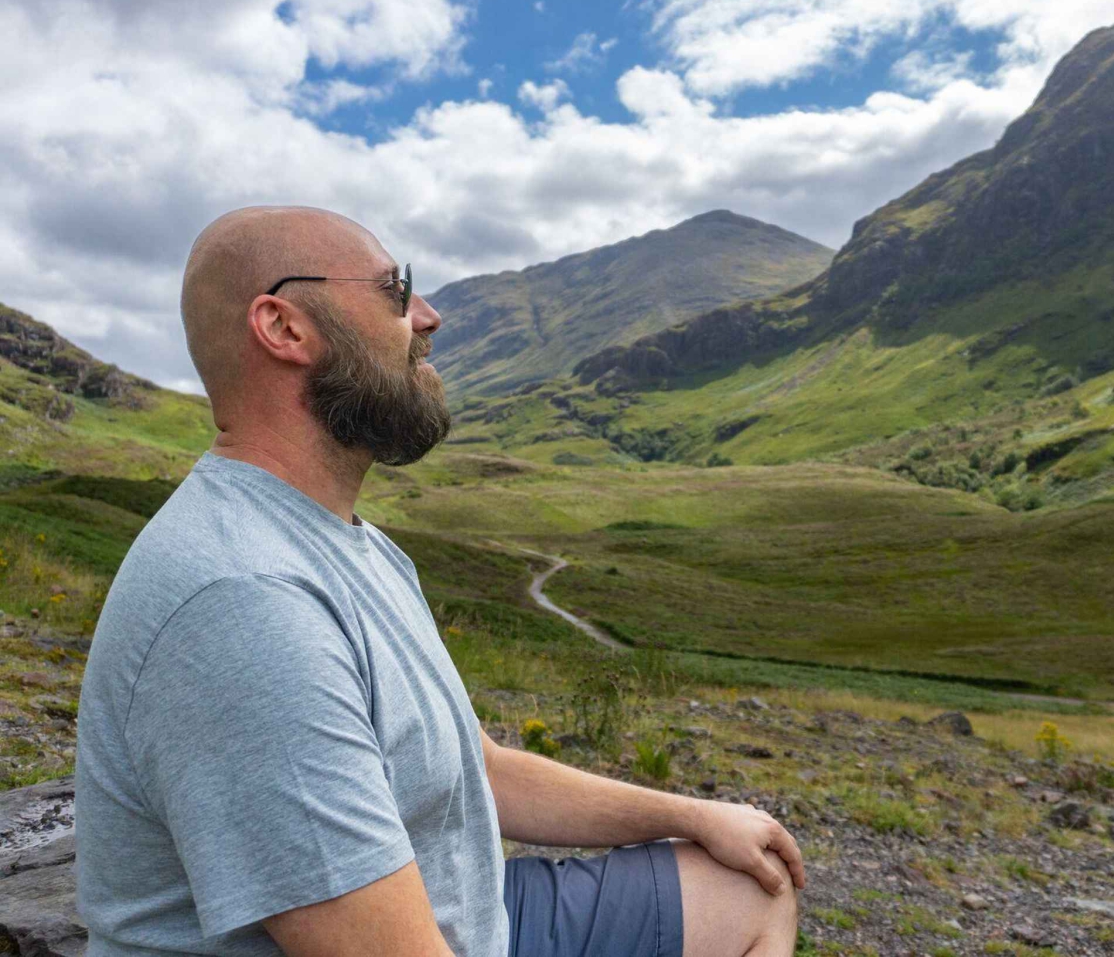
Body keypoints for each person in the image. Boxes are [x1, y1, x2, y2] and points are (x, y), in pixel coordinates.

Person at [74, 206, 803, 957]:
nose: (428, 315)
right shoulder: (246, 604)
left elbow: (477, 768)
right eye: (396, 291)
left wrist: (692, 814)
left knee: (753, 885)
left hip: (469, 915)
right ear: (284, 328)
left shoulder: (355, 544)